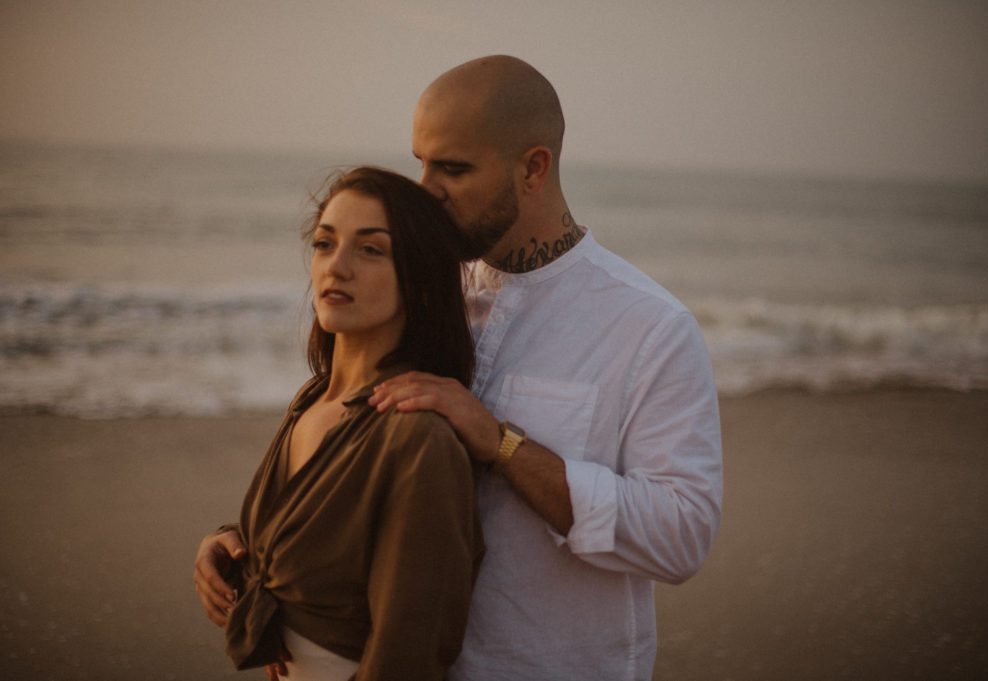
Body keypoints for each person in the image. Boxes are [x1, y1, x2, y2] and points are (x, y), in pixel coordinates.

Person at [197, 55, 723, 680]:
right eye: (420, 161)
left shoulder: (648, 326)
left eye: (452, 168)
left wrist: (500, 444)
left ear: (533, 168)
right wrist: (250, 547)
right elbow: (365, 468)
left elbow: (683, 535)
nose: (425, 189)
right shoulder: (420, 290)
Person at [196, 166, 484, 680]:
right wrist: (234, 548)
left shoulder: (417, 437)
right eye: (325, 243)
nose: (337, 266)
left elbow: (409, 649)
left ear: (420, 280)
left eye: (371, 249)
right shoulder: (311, 402)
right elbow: (315, 541)